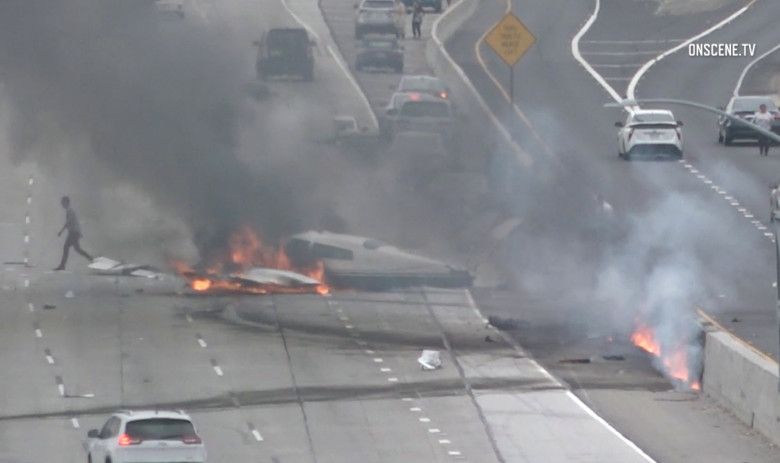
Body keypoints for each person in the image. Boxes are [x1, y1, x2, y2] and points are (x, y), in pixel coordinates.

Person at [54, 196, 93, 270]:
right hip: (74, 232)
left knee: (66, 247)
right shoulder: (69, 211)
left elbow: (68, 223)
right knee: (77, 249)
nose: (62, 204)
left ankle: (62, 265)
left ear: (67, 202)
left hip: (74, 233)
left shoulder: (70, 211)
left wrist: (61, 232)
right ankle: (91, 258)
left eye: (63, 202)